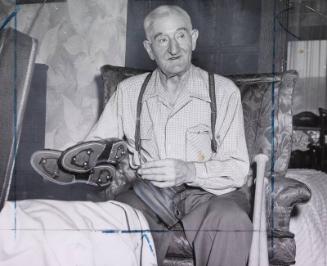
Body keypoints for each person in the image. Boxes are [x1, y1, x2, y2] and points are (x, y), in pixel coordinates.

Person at [85, 5, 253, 266]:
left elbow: (238, 168)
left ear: (194, 38)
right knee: (114, 218)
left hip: (210, 194)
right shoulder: (128, 92)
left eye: (181, 36)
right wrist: (84, 161)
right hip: (149, 194)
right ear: (150, 48)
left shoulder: (223, 91)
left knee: (231, 223)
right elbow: (96, 146)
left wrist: (189, 171)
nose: (174, 49)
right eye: (162, 39)